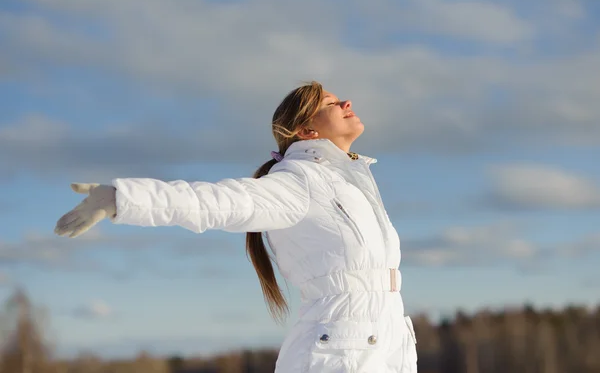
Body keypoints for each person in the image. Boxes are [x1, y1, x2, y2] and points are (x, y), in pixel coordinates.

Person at [54, 81, 418, 372]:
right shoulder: (299, 180)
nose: (345, 104)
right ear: (306, 130)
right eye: (330, 103)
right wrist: (123, 198)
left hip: (386, 345)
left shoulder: (353, 184)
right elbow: (216, 202)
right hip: (339, 353)